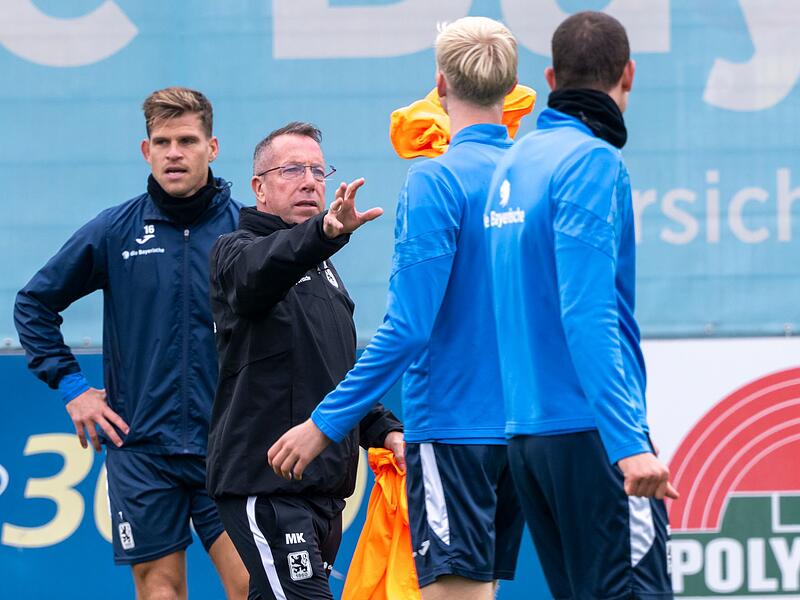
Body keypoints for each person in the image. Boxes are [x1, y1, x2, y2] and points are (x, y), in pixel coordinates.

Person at [268, 18, 524, 600]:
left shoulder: (435, 180)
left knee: (456, 592)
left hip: (456, 431)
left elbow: (408, 330)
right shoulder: (537, 177)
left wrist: (325, 423)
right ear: (512, 87)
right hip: (527, 428)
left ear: (439, 83)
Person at [14, 87, 249, 598]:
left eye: (187, 139)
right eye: (161, 141)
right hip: (142, 449)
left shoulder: (247, 233)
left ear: (213, 147)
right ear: (146, 151)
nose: (174, 152)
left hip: (227, 447)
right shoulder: (116, 230)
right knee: (160, 592)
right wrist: (73, 387)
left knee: (253, 586)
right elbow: (33, 305)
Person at [484, 11, 678, 600]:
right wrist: (628, 444)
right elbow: (587, 311)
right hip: (593, 436)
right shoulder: (592, 161)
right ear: (629, 75)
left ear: (550, 77)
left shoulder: (512, 165)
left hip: (528, 439)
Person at [206, 121, 404, 600]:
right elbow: (257, 277)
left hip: (323, 491)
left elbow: (337, 378)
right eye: (292, 169)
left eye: (319, 170)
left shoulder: (326, 272)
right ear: (259, 188)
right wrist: (325, 232)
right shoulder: (236, 251)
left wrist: (386, 430)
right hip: (266, 485)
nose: (310, 181)